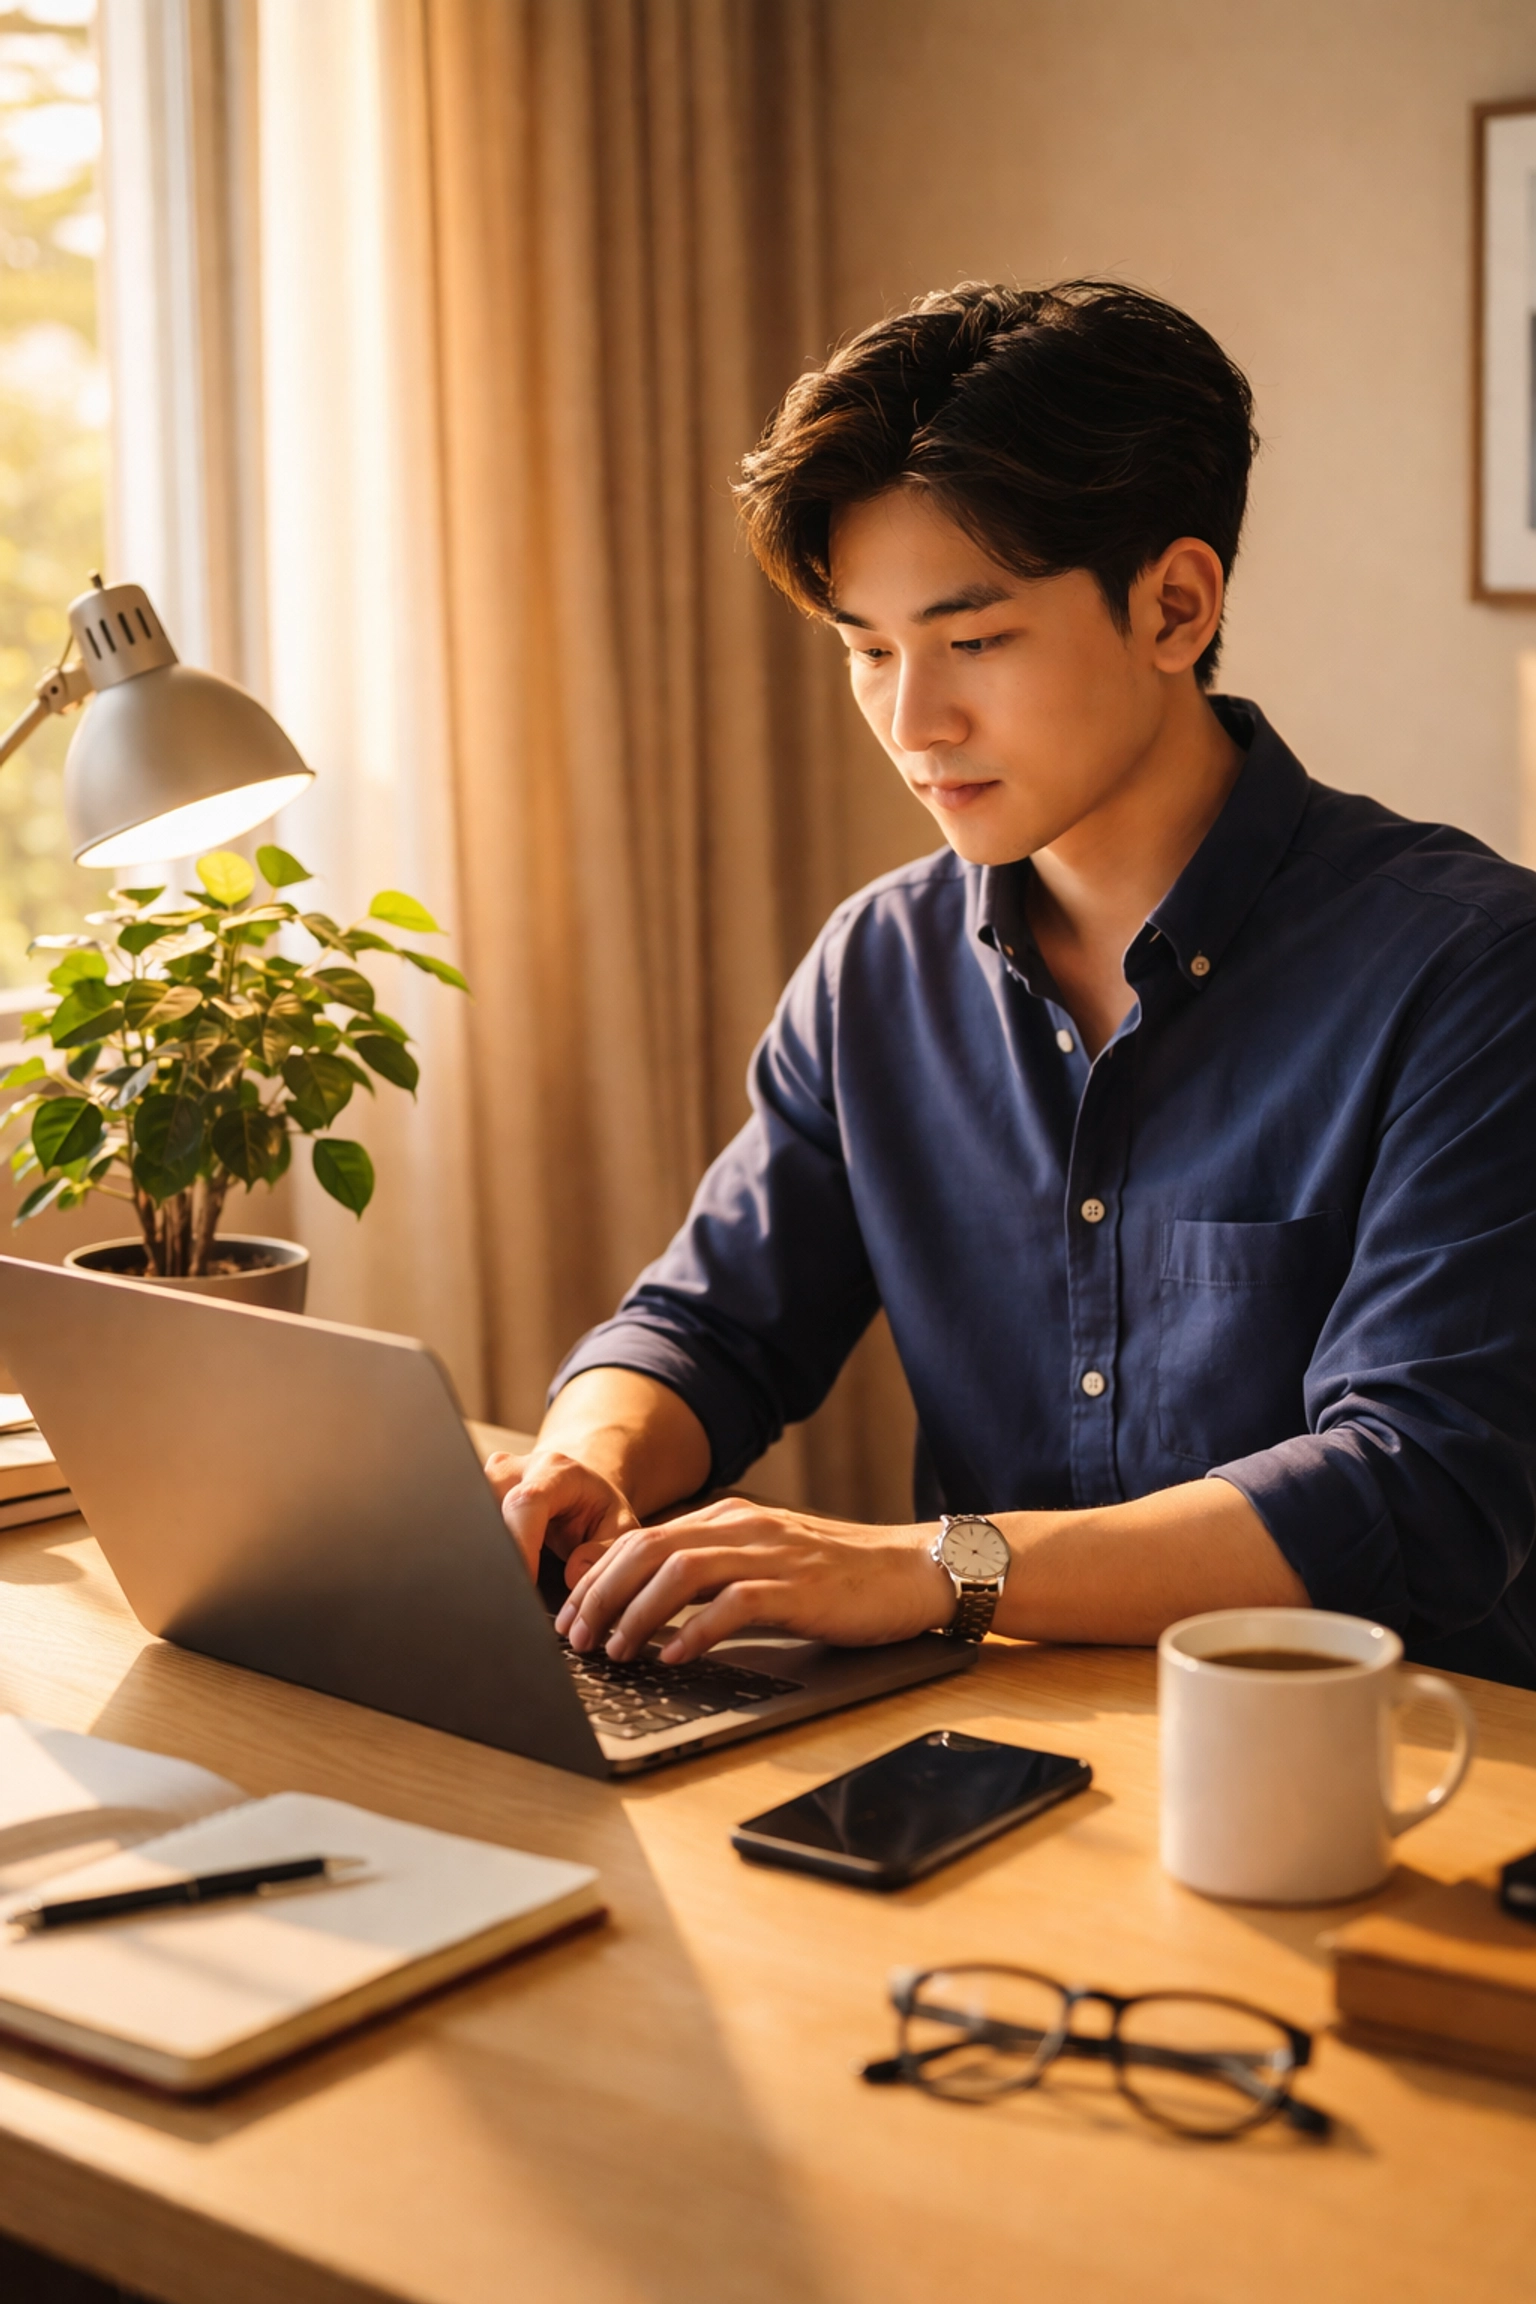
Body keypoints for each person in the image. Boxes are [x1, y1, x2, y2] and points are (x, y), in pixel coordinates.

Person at [487, 281, 1536, 1690]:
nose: (913, 725)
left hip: (1383, 1774)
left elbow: (1416, 1484)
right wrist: (586, 1464)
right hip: (986, 1751)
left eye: (973, 642)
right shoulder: (879, 966)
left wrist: (932, 1570)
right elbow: (709, 1325)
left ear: (1174, 605)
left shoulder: (1469, 970)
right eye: (869, 650)